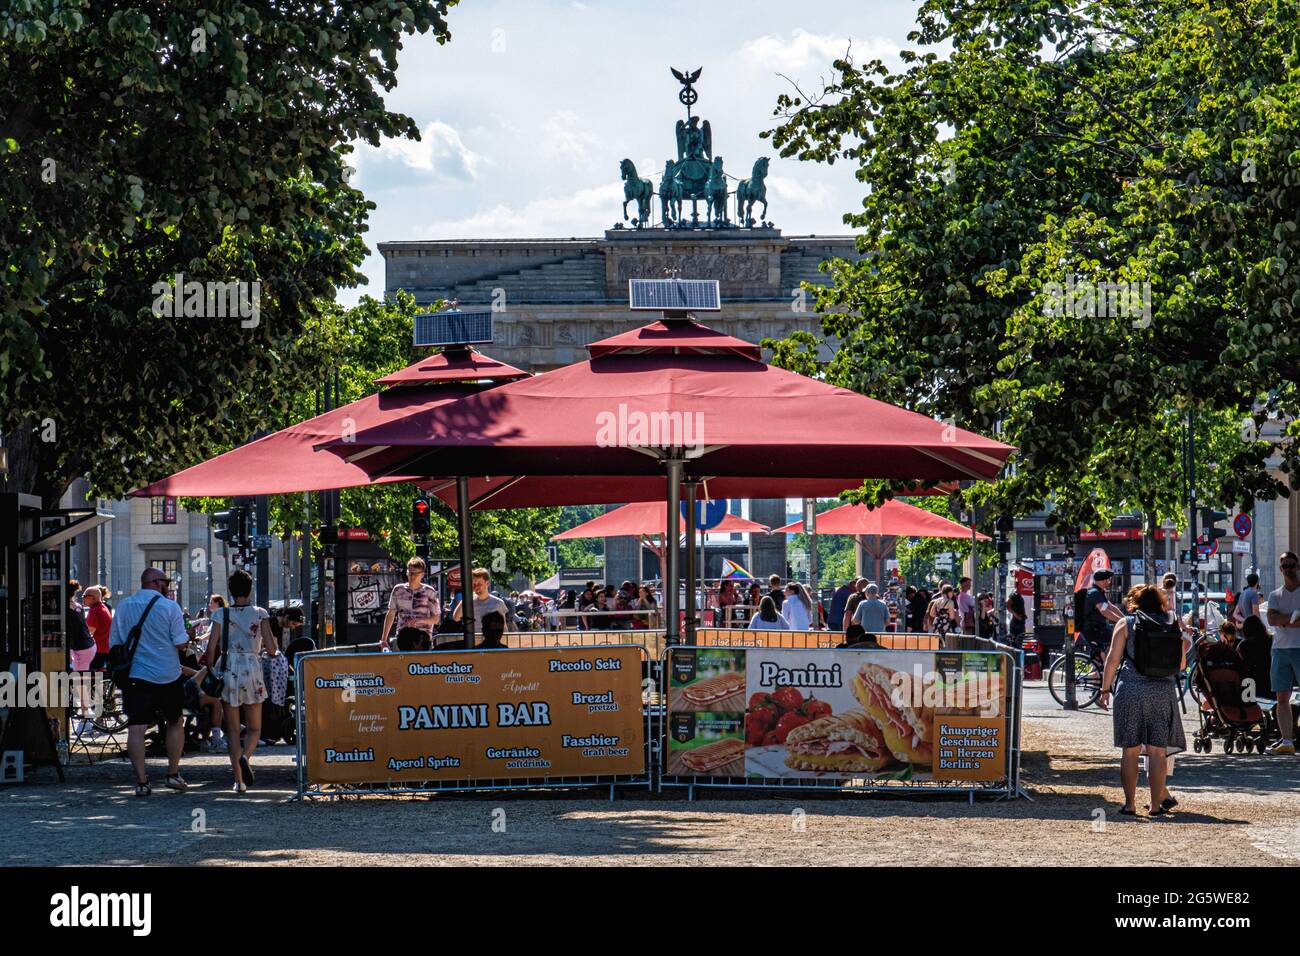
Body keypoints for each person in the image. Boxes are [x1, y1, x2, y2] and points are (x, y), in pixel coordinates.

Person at [1099, 584, 1189, 816]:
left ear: (1133, 602)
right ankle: (1156, 806)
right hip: (1162, 692)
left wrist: (1105, 689)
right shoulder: (1172, 622)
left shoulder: (1126, 623)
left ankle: (1130, 804)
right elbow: (1181, 664)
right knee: (1157, 752)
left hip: (1130, 689)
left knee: (1130, 751)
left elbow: (1112, 660)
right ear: (1160, 602)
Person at [109, 568, 191, 797]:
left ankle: (142, 782)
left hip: (136, 674)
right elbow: (180, 642)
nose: (168, 585)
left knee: (136, 727)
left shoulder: (124, 606)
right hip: (168, 674)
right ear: (156, 582)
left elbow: (115, 641)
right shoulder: (169, 606)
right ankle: (173, 774)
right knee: (175, 721)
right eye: (166, 581)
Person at [205, 570, 278, 793]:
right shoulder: (260, 613)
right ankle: (246, 757)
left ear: (230, 590)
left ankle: (238, 781)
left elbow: (210, 650)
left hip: (228, 669)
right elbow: (273, 649)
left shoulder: (221, 615)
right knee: (255, 727)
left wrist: (210, 669)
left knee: (233, 730)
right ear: (250, 589)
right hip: (252, 668)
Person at [1265, 551, 1300, 754]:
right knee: (1282, 697)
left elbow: (1279, 620)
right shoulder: (1274, 595)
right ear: (1280, 570)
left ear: (1297, 566)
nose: (1288, 569)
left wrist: (1284, 620)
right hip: (1279, 649)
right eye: (1284, 566)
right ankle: (1287, 741)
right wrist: (1293, 619)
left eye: (1291, 565)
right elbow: (1271, 620)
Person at [379, 557, 442, 651]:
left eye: (416, 574)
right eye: (410, 573)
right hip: (403, 637)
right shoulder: (398, 590)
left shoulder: (429, 591)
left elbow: (436, 619)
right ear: (407, 572)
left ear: (422, 574)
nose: (412, 576)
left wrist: (419, 621)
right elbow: (391, 613)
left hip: (422, 637)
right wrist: (384, 639)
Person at [452, 567, 510, 638]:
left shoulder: (498, 603)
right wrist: (466, 597)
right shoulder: (468, 601)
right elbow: (456, 618)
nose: (476, 587)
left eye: (479, 584)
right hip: (472, 644)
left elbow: (503, 627)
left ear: (487, 583)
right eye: (474, 584)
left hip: (491, 644)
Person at [1082, 569, 1123, 655]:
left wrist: (1125, 618)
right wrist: (1120, 621)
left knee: (1112, 642)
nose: (1110, 581)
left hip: (1099, 627)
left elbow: (1111, 607)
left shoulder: (1100, 592)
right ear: (1103, 580)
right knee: (1117, 638)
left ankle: (1102, 665)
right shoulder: (1094, 593)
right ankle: (1107, 665)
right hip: (1092, 629)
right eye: (1109, 579)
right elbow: (1104, 611)